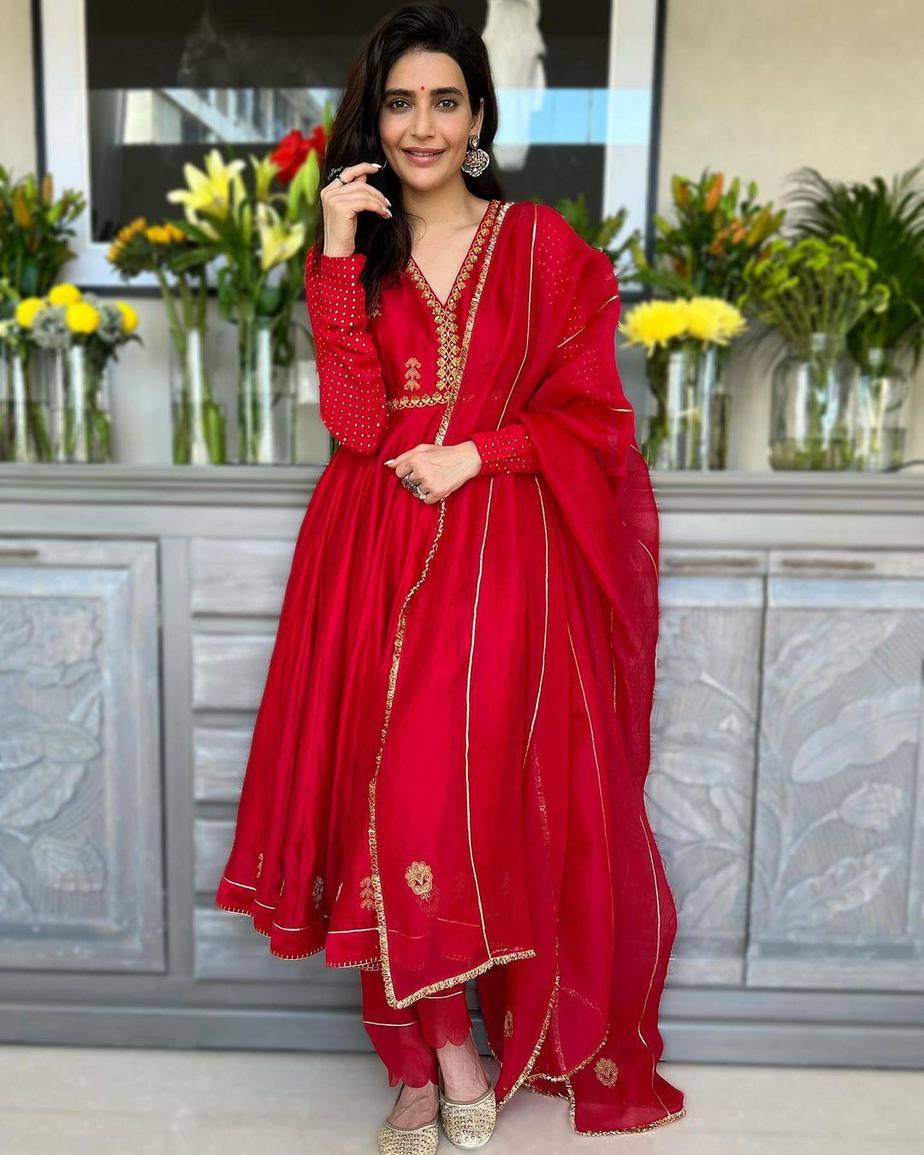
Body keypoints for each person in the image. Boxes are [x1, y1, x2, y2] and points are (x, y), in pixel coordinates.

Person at [215, 4, 686, 1151]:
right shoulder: (360, 254)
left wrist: (480, 451)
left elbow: (596, 424)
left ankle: (451, 1056)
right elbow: (357, 421)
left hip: (496, 555)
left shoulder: (543, 250)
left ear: (478, 115)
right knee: (369, 799)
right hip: (367, 545)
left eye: (444, 100)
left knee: (441, 795)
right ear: (373, 119)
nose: (422, 125)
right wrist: (331, 257)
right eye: (399, 101)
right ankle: (430, 1065)